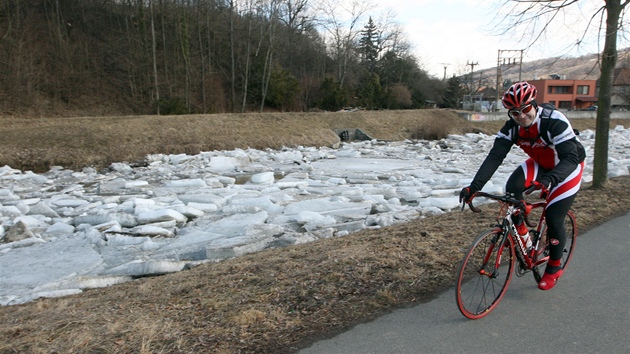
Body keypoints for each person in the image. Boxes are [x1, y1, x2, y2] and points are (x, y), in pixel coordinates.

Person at [459, 81, 585, 290]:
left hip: (567, 166)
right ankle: (523, 237)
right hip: (540, 164)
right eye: (515, 113)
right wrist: (474, 186)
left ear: (534, 104)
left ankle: (554, 267)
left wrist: (549, 180)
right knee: (513, 188)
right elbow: (495, 157)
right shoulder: (512, 128)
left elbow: (570, 159)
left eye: (526, 109)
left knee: (554, 217)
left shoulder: (555, 122)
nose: (522, 116)